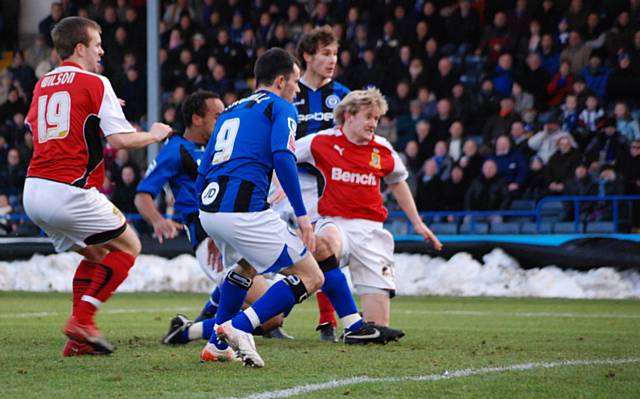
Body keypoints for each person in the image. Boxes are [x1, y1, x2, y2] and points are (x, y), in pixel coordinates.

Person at [22, 17, 172, 357]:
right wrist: (155, 134)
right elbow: (119, 139)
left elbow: (42, 127)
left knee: (97, 253)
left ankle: (78, 340)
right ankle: (83, 321)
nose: (101, 49)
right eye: (96, 43)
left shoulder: (42, 82)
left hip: (34, 191)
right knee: (130, 246)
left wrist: (99, 108)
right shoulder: (95, 82)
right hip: (68, 189)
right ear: (79, 48)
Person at [134, 91, 290, 345]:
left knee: (291, 285)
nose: (224, 120)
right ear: (197, 119)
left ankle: (205, 316)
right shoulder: (176, 150)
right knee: (272, 315)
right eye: (218, 116)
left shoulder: (221, 147)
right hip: (212, 242)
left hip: (239, 231)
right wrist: (158, 220)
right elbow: (142, 195)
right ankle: (188, 331)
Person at [296, 88, 443, 328]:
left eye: (376, 118)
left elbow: (397, 181)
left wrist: (417, 223)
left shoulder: (382, 148)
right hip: (335, 222)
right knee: (326, 242)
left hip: (372, 232)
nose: (373, 123)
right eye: (368, 116)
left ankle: (358, 325)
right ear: (349, 116)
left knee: (378, 326)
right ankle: (276, 311)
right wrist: (280, 184)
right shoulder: (321, 141)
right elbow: (282, 155)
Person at [273, 26, 351, 342]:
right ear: (307, 56)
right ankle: (269, 316)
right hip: (281, 183)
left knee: (320, 248)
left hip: (321, 188)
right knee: (274, 254)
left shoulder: (344, 96)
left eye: (335, 53)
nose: (332, 60)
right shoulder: (288, 93)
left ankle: (327, 321)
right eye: (325, 53)